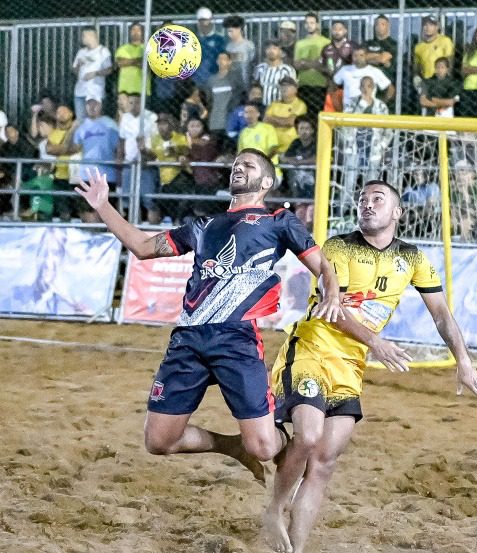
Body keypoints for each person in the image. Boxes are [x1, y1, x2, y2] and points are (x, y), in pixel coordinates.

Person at [264, 179, 477, 553]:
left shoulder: (413, 258)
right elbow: (334, 311)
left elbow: (441, 314)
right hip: (313, 348)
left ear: (397, 213)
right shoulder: (338, 247)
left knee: (325, 462)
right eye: (362, 199)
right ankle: (274, 508)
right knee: (309, 435)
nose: (367, 205)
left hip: (350, 365)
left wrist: (464, 361)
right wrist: (376, 342)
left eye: (377, 199)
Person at [73, 150, 343, 482]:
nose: (239, 168)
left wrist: (331, 293)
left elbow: (323, 266)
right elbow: (142, 247)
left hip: (236, 338)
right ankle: (231, 446)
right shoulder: (204, 225)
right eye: (235, 164)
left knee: (263, 447)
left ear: (267, 181)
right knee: (159, 441)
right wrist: (103, 205)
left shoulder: (278, 221)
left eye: (248, 165)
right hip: (188, 338)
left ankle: (289, 443)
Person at [293, 13, 330, 118]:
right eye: (307, 23)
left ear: (317, 24)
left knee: (319, 116)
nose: (309, 25)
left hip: (321, 85)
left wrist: (305, 62)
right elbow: (296, 65)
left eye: (312, 22)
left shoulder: (326, 42)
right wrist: (316, 63)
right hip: (303, 85)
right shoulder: (300, 43)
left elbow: (328, 65)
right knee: (304, 116)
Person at [72, 27, 113, 122]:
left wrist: (96, 73)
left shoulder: (103, 51)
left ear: (91, 36)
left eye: (84, 36)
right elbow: (74, 70)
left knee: (96, 120)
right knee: (81, 121)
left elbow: (109, 70)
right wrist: (78, 65)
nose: (82, 38)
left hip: (95, 93)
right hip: (80, 92)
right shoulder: (81, 52)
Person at [205, 52, 246, 134]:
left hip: (231, 121)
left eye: (224, 59)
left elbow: (241, 96)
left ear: (229, 62)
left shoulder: (236, 79)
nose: (221, 61)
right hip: (215, 122)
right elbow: (209, 100)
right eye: (219, 59)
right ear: (216, 61)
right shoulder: (211, 80)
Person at [265, 76, 308, 155]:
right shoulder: (274, 104)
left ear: (295, 89)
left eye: (288, 85)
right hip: (272, 148)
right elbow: (265, 120)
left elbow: (290, 122)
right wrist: (283, 121)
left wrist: (273, 119)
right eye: (282, 85)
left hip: (291, 148)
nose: (284, 88)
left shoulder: (300, 105)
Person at [254, 41, 297, 109]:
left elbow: (292, 91)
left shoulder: (287, 70)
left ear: (281, 52)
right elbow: (255, 87)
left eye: (274, 48)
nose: (271, 51)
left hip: (280, 107)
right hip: (261, 107)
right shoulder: (260, 68)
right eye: (268, 48)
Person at [413, 15, 454, 84]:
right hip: (426, 82)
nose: (427, 27)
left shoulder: (445, 41)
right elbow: (417, 67)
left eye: (431, 25)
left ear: (437, 27)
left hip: (441, 81)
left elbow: (450, 62)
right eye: (425, 25)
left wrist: (446, 82)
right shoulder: (418, 47)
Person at [193, 7, 227, 86]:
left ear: (211, 21)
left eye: (206, 20)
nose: (204, 24)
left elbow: (224, 59)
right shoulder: (193, 39)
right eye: (201, 21)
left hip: (215, 79)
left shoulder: (219, 39)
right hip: (197, 80)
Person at [115, 23, 149, 98]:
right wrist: (138, 60)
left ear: (143, 32)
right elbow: (120, 63)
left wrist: (128, 61)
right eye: (133, 30)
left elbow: (145, 64)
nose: (135, 32)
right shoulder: (122, 48)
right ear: (129, 32)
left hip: (142, 89)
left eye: (138, 30)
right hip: (124, 90)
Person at [364, 14, 397, 83]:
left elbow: (383, 59)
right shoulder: (367, 43)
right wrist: (379, 56)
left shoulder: (393, 43)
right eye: (377, 24)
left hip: (385, 80)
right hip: (368, 81)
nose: (379, 27)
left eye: (382, 24)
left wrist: (369, 57)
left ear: (388, 26)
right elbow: (362, 58)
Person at [224, 15, 256, 85]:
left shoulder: (249, 45)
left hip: (246, 80)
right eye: (228, 31)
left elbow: (253, 63)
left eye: (231, 31)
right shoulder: (228, 47)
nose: (229, 34)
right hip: (232, 82)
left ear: (239, 29)